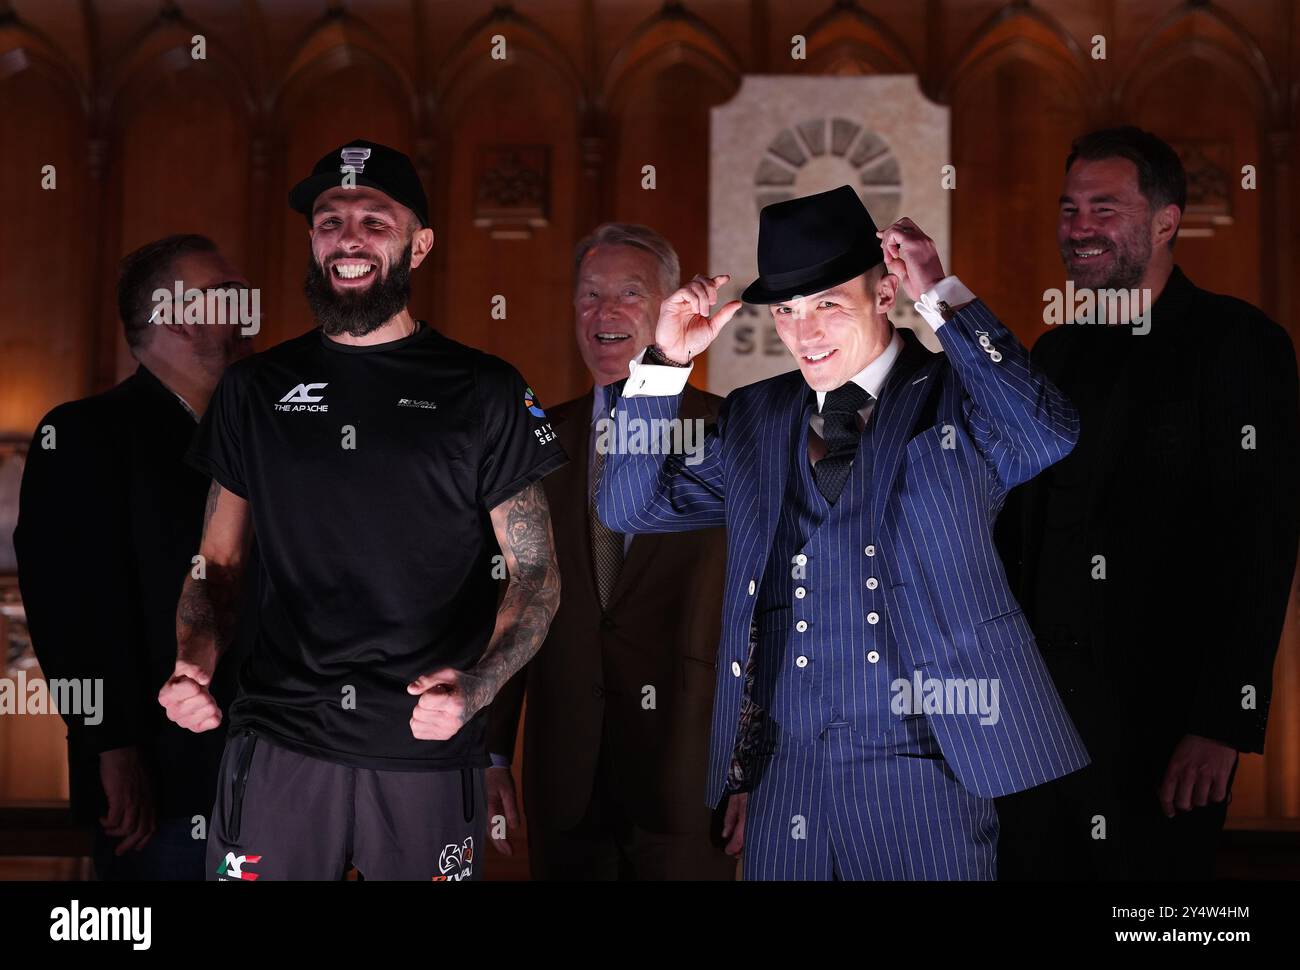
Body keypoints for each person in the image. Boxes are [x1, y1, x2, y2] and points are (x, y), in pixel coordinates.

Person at [598, 184, 1089, 880]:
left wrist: (944, 294)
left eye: (828, 303)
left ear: (886, 294)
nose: (805, 332)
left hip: (925, 772)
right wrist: (664, 367)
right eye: (788, 312)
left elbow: (1048, 433)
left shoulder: (960, 397)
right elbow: (628, 507)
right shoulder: (756, 417)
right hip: (784, 780)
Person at [158, 139, 567, 881]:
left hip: (425, 753)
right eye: (329, 220)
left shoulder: (486, 390)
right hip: (278, 743)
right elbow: (216, 564)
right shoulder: (255, 391)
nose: (348, 238)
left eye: (375, 221)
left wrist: (477, 687)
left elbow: (535, 571)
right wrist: (194, 663)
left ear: (420, 243)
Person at [995, 126, 1300, 880]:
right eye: (1070, 210)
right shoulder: (1057, 350)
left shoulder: (1240, 342)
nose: (1080, 228)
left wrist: (1221, 723)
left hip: (1163, 729)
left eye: (1105, 208)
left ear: (1166, 221)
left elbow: (1259, 540)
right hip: (1034, 727)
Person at [487, 223, 735, 879]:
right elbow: (512, 593)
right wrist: (490, 754)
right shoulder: (536, 441)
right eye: (590, 295)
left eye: (630, 293)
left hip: (688, 772)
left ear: (672, 309)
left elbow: (760, 606)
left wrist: (746, 764)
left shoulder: (732, 432)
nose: (606, 312)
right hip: (563, 772)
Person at [15, 234, 253, 879]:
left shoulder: (258, 432)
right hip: (158, 775)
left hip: (272, 773)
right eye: (228, 296)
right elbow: (68, 613)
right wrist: (111, 751)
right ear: (177, 314)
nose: (248, 308)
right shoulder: (88, 434)